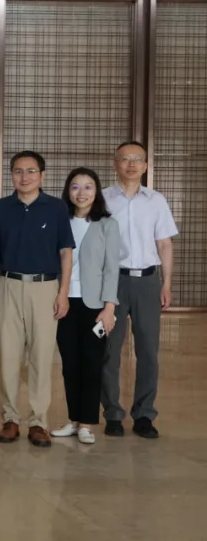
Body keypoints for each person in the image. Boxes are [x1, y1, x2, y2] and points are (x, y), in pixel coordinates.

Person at [0, 151, 74, 448]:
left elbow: (66, 252)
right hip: (8, 285)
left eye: (31, 171)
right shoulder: (0, 208)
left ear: (42, 175)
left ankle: (39, 422)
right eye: (18, 171)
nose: (24, 177)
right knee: (8, 356)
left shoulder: (56, 208)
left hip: (45, 287)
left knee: (41, 356)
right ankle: (10, 419)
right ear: (11, 175)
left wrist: (63, 293)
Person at [101, 141, 178, 439]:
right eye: (125, 159)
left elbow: (164, 244)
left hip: (147, 281)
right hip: (113, 282)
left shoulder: (156, 200)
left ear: (146, 165)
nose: (131, 164)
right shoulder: (103, 199)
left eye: (137, 159)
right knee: (109, 350)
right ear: (115, 163)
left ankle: (144, 414)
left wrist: (165, 283)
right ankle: (112, 413)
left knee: (148, 350)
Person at [51, 168, 121, 445]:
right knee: (70, 364)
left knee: (92, 364)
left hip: (95, 305)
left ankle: (86, 424)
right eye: (75, 187)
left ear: (97, 191)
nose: (81, 193)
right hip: (64, 302)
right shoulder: (60, 221)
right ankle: (72, 420)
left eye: (88, 187)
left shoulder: (107, 225)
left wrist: (109, 307)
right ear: (68, 191)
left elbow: (112, 269)